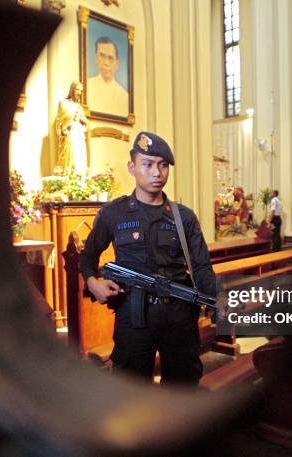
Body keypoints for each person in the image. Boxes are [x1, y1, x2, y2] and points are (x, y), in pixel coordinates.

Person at [79, 132, 216, 386]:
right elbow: (87, 257)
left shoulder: (183, 217)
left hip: (179, 317)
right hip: (133, 317)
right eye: (148, 164)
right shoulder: (113, 213)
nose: (157, 173)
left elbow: (201, 267)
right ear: (132, 167)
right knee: (130, 391)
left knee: (181, 389)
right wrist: (92, 282)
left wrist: (216, 304)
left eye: (163, 165)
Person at [87, 36, 128, 116]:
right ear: (96, 58)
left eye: (110, 58)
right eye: (102, 56)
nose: (106, 62)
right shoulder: (86, 86)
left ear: (117, 64)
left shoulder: (124, 96)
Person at [55, 81, 89, 175]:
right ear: (72, 90)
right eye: (77, 89)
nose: (79, 92)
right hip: (70, 133)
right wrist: (66, 126)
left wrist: (85, 122)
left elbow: (85, 122)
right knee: (71, 156)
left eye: (81, 91)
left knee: (79, 156)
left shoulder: (79, 107)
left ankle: (79, 176)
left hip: (79, 134)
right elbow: (59, 120)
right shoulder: (64, 103)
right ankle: (69, 175)